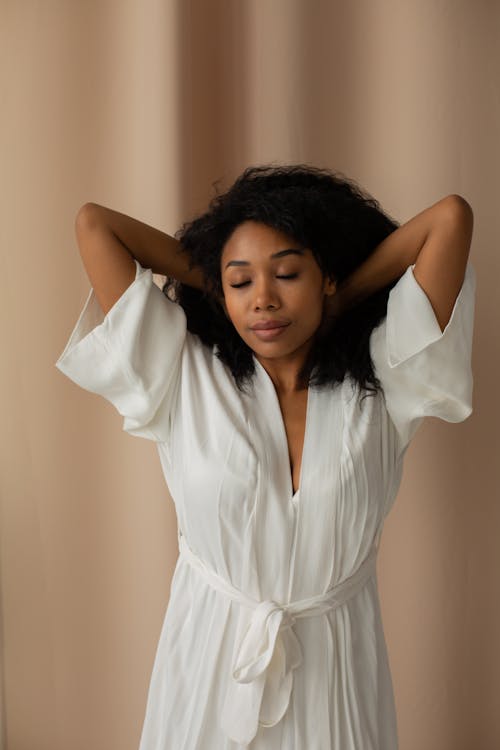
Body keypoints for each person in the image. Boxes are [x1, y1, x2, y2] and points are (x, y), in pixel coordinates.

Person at [55, 164, 476, 749]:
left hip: (337, 669)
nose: (265, 300)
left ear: (323, 276)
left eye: (286, 273)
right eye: (242, 282)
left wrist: (346, 296)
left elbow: (449, 219)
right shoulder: (183, 371)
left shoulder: (384, 378)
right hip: (209, 664)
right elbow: (95, 225)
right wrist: (217, 277)